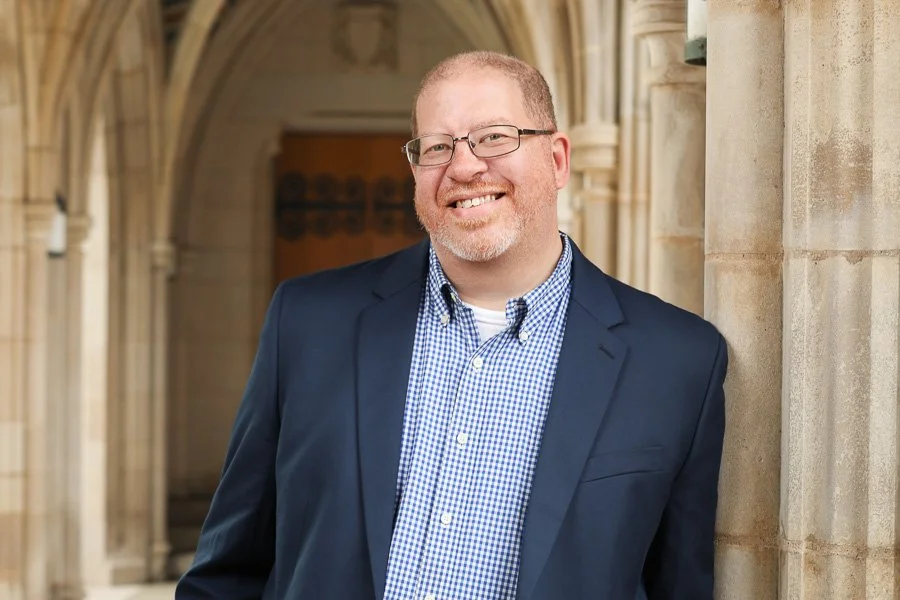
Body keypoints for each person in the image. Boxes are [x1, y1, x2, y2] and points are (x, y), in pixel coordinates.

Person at [175, 50, 728, 600]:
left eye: (494, 137)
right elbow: (228, 573)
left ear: (557, 160)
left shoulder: (676, 363)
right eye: (437, 147)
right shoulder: (308, 322)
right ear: (416, 170)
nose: (463, 168)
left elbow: (679, 584)